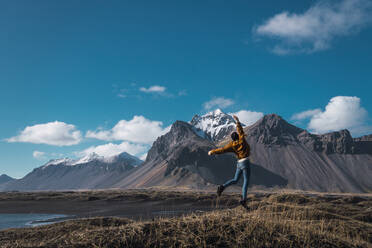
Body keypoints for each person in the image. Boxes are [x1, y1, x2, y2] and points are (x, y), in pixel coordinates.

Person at [208, 115, 251, 208]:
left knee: (235, 180)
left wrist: (212, 152)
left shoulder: (231, 145)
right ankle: (244, 200)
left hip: (239, 163)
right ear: (238, 136)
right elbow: (240, 130)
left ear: (232, 138)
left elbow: (222, 150)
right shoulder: (242, 139)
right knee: (246, 181)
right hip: (245, 162)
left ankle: (222, 186)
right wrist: (237, 121)